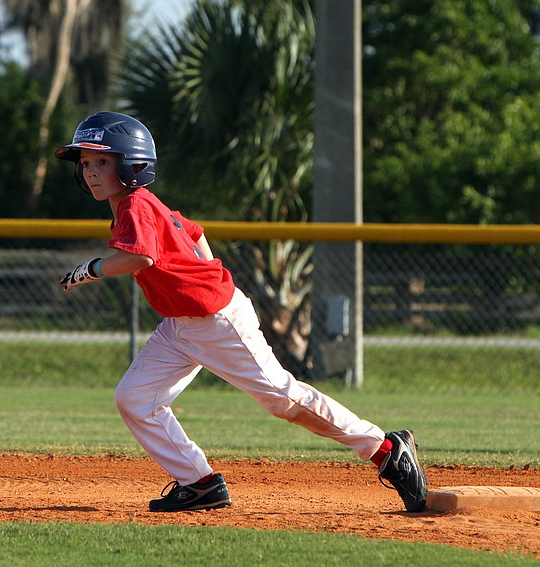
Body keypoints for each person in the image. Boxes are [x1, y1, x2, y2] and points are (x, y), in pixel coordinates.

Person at [54, 111, 428, 513]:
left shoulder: (134, 205)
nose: (91, 171)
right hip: (180, 327)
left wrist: (90, 269)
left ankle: (386, 449)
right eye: (86, 163)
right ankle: (199, 483)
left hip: (216, 320)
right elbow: (194, 232)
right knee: (134, 398)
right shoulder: (138, 205)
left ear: (132, 163)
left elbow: (141, 257)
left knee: (283, 398)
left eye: (102, 161)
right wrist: (205, 273)